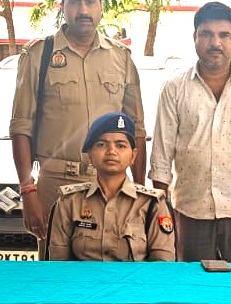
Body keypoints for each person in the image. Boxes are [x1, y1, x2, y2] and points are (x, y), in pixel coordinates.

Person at [10, 0, 146, 250]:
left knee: (110, 266)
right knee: (55, 271)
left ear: (101, 6)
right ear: (63, 8)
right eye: (75, 2)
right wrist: (27, 190)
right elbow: (21, 126)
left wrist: (140, 192)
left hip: (110, 182)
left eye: (90, 1)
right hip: (56, 184)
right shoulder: (39, 55)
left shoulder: (121, 57)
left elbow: (137, 128)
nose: (83, 10)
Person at [149, 2, 231, 262]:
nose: (215, 43)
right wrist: (162, 210)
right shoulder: (174, 89)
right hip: (191, 211)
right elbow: (161, 157)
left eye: (224, 35)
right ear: (195, 37)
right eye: (207, 34)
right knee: (194, 282)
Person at [46, 112, 175, 262]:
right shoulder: (69, 202)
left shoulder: (152, 204)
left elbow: (162, 267)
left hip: (134, 278)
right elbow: (58, 266)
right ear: (90, 155)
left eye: (120, 145)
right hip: (83, 278)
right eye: (102, 144)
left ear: (133, 156)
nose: (111, 151)